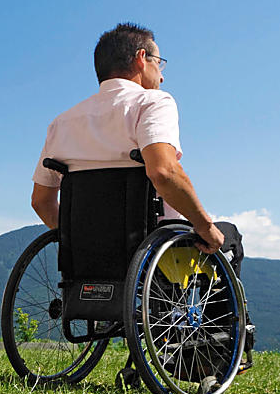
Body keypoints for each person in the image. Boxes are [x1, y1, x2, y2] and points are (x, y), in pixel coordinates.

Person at [30, 22, 251, 362]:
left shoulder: (62, 122)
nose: (161, 76)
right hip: (154, 243)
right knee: (227, 237)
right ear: (141, 58)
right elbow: (163, 171)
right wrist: (205, 226)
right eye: (159, 64)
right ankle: (218, 352)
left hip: (88, 252)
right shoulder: (153, 103)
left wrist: (78, 237)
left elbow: (41, 201)